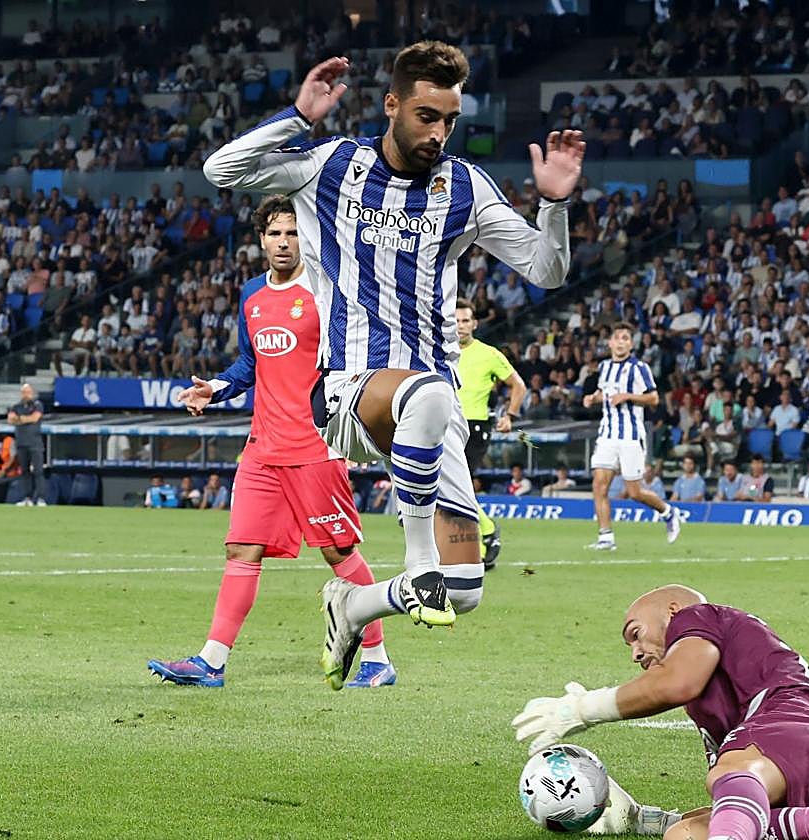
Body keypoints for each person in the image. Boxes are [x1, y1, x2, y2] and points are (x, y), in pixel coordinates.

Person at [203, 43, 583, 663]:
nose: (439, 132)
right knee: (430, 392)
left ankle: (353, 605)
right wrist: (299, 117)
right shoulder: (331, 165)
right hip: (350, 389)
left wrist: (555, 206)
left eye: (450, 119)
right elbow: (222, 170)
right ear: (392, 105)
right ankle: (417, 561)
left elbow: (546, 270)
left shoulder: (462, 185)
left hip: (432, 417)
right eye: (427, 116)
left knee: (463, 591)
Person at [157, 195, 395, 690]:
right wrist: (216, 389)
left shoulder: (329, 293)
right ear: (261, 240)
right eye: (275, 234)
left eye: (292, 233)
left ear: (304, 236)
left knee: (339, 552)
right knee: (242, 549)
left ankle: (377, 659)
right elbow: (250, 364)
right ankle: (211, 661)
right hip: (262, 448)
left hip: (316, 446)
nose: (283, 242)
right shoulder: (251, 294)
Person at [511, 585, 809, 840]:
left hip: (797, 720)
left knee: (726, 774)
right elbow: (739, 804)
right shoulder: (714, 707)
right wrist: (643, 819)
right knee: (685, 834)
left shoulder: (699, 617)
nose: (635, 652)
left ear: (671, 611)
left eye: (636, 634)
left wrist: (581, 709)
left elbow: (675, 684)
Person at [583, 322, 682, 550]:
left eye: (626, 338)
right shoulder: (605, 366)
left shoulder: (639, 368)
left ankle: (668, 512)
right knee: (599, 485)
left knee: (634, 492)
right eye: (617, 337)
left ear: (631, 344)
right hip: (607, 434)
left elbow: (654, 398)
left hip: (630, 435)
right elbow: (605, 392)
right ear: (610, 343)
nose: (621, 342)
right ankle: (605, 536)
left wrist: (627, 396)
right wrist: (593, 398)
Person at [454, 298, 527, 570]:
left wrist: (510, 415)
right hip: (446, 423)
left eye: (465, 321)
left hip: (474, 426)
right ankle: (480, 539)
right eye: (456, 320)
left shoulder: (489, 354)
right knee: (448, 485)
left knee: (457, 484)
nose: (460, 326)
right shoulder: (439, 349)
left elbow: (518, 386)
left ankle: (486, 532)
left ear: (474, 323)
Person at [7, 384, 46, 506]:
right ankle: (27, 498)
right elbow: (10, 419)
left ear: (32, 393)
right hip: (21, 443)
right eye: (23, 392)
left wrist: (20, 419)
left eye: (28, 392)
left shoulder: (37, 405)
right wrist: (23, 418)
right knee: (24, 472)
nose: (25, 394)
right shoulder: (16, 406)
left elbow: (34, 418)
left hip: (35, 443)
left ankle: (40, 498)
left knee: (38, 471)